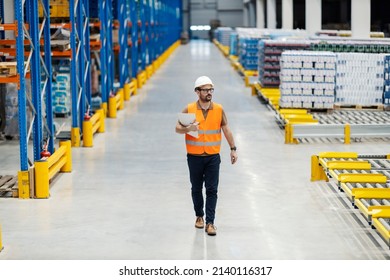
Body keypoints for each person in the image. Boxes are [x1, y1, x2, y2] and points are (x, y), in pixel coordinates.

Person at [175, 76, 238, 236]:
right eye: (205, 90)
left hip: (212, 156)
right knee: (196, 188)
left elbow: (226, 129)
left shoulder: (218, 109)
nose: (209, 93)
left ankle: (210, 222)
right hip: (194, 156)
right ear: (197, 92)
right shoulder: (189, 109)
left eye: (211, 90)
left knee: (212, 190)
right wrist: (188, 128)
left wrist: (233, 148)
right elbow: (177, 128)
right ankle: (199, 217)